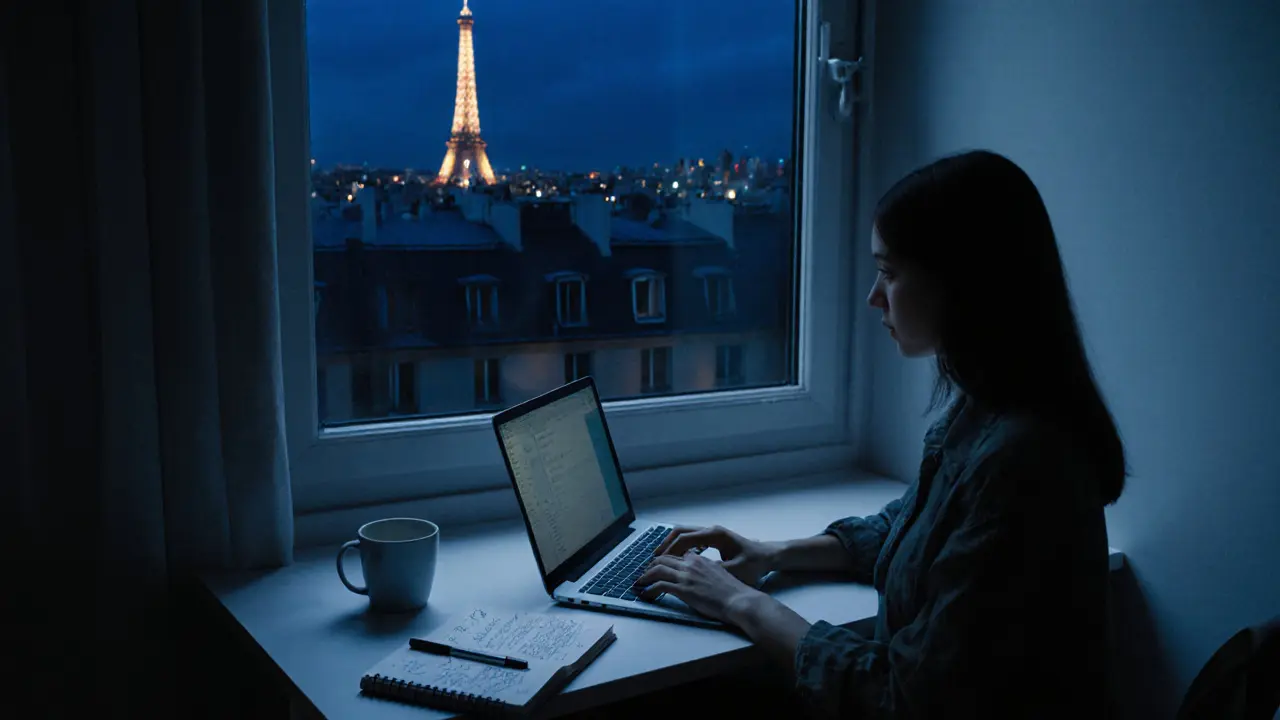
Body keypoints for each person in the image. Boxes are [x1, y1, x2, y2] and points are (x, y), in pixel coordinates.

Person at [635, 149, 1126, 718]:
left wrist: (741, 603)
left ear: (961, 282)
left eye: (889, 273)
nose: (874, 296)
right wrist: (770, 553)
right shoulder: (992, 409)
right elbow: (912, 529)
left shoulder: (1021, 461)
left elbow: (902, 699)